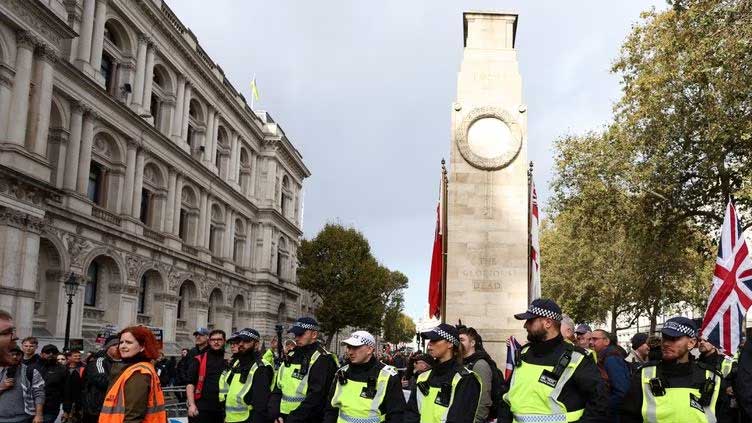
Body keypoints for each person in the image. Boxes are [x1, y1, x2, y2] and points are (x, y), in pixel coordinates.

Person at [500, 299, 609, 422]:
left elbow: (600, 402)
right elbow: (507, 397)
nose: (525, 325)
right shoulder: (523, 353)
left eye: (530, 320)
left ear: (547, 322)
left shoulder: (577, 358)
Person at [620, 317, 729, 422]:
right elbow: (628, 416)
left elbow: (723, 417)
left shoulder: (712, 377)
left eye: (674, 339)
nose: (666, 343)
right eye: (665, 337)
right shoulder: (644, 374)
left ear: (691, 343)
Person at [404, 323, 480, 423]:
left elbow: (459, 418)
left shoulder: (465, 379)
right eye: (430, 340)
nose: (430, 344)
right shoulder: (422, 377)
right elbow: (411, 414)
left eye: (435, 340)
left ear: (450, 344)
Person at [324, 330, 405, 423]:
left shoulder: (388, 375)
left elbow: (397, 415)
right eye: (349, 347)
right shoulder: (341, 372)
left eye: (355, 347)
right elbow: (331, 410)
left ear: (369, 350)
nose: (350, 352)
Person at [270, 317, 339, 423]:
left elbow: (316, 397)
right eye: (296, 334)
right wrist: (275, 414)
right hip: (283, 418)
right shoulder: (291, 355)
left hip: (308, 419)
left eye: (301, 334)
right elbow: (277, 388)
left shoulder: (323, 359)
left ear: (314, 335)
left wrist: (292, 418)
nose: (297, 338)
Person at [99, 326, 166, 423]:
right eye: (121, 342)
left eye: (129, 342)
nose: (122, 346)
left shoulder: (139, 372)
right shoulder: (135, 368)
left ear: (142, 346)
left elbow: (133, 416)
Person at [219, 328, 274, 423]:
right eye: (239, 340)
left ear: (256, 344)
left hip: (247, 419)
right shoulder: (237, 363)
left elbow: (261, 407)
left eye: (246, 341)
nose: (241, 344)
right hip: (230, 418)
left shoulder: (261, 367)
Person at [0, 310, 45, 423]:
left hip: (24, 419)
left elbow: (39, 393)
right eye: (6, 332)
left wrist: (38, 415)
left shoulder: (30, 371)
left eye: (17, 354)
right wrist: (1, 387)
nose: (14, 357)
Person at [186, 329, 226, 423]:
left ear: (224, 341)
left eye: (219, 339)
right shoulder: (199, 359)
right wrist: (191, 404)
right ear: (209, 341)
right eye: (213, 340)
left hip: (222, 409)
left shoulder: (230, 360)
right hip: (202, 407)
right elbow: (190, 383)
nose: (216, 342)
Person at [459, 326, 497, 422]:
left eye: (462, 340)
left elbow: (484, 399)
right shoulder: (461, 363)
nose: (458, 343)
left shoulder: (480, 365)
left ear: (472, 343)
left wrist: (477, 420)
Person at [589, 329, 631, 418]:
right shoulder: (604, 357)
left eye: (595, 339)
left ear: (606, 341)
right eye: (590, 339)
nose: (591, 342)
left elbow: (621, 391)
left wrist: (605, 409)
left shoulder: (611, 359)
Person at [81, 335, 120, 423]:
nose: (118, 347)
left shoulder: (122, 362)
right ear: (107, 348)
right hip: (96, 410)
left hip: (114, 409)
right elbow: (101, 380)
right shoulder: (99, 361)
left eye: (119, 344)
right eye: (114, 345)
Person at [38, 344, 67, 423]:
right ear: (42, 354)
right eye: (48, 352)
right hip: (32, 406)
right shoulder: (34, 367)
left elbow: (66, 390)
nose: (51, 354)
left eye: (53, 352)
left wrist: (66, 409)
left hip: (51, 407)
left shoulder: (62, 369)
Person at [63, 350, 85, 421]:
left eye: (79, 356)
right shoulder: (63, 368)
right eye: (75, 356)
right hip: (65, 399)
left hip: (79, 401)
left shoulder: (83, 368)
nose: (78, 357)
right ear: (69, 357)